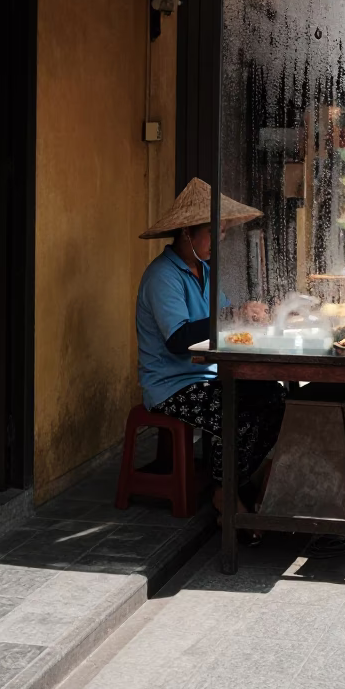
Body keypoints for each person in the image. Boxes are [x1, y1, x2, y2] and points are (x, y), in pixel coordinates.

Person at [136, 177, 285, 515]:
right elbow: (178, 340)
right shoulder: (162, 277)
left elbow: (222, 320)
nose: (219, 239)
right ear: (187, 233)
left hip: (208, 374)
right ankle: (225, 494)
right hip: (172, 385)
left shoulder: (204, 270)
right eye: (213, 232)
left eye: (222, 232)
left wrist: (249, 316)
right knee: (236, 414)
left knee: (273, 397)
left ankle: (243, 476)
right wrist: (234, 314)